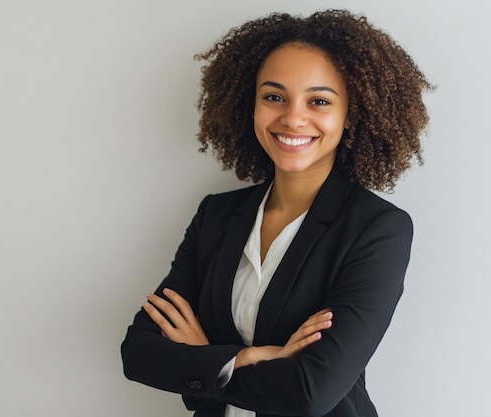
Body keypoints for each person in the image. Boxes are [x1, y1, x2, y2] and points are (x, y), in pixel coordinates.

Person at [121, 9, 433, 417]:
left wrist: (207, 359)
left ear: (350, 114)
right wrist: (250, 357)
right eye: (274, 97)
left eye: (318, 101)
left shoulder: (377, 228)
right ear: (248, 104)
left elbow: (311, 392)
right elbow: (139, 352)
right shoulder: (216, 215)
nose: (292, 117)